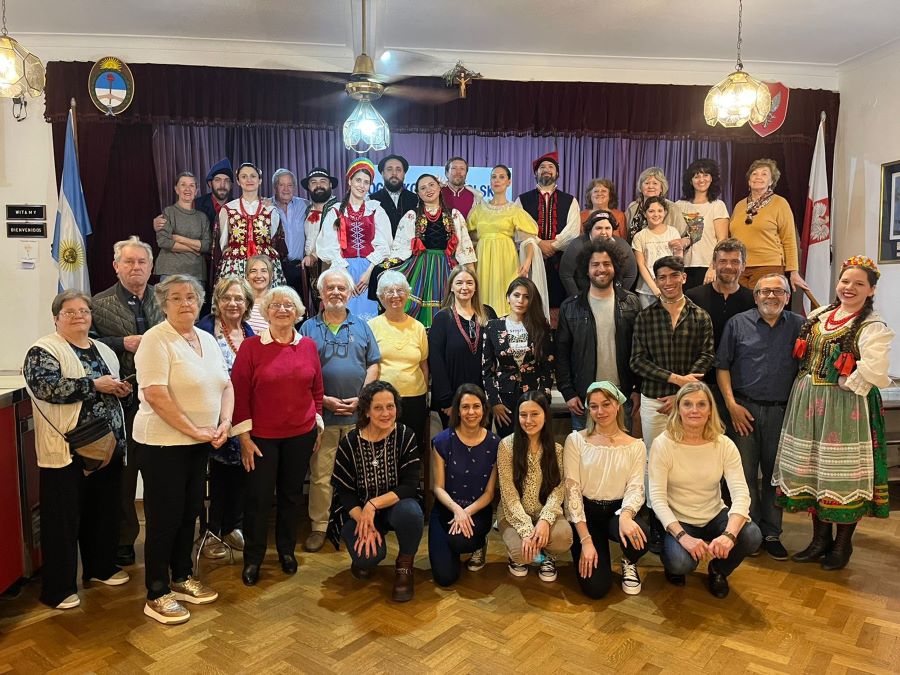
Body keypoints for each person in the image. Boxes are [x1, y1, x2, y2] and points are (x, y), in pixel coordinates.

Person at [773, 256, 893, 570]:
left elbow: (876, 369)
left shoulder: (871, 325)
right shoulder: (820, 315)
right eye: (845, 281)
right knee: (815, 471)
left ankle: (842, 545)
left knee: (841, 478)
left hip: (845, 407)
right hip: (808, 404)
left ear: (871, 290)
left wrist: (847, 380)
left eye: (859, 284)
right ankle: (820, 540)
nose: (849, 288)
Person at [133, 274, 233, 625]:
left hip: (198, 442)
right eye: (176, 297)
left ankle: (181, 575)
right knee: (165, 517)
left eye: (191, 296)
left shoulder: (206, 338)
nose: (185, 303)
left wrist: (225, 423)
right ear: (164, 304)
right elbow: (156, 394)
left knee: (189, 512)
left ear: (200, 302)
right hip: (163, 444)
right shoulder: (155, 339)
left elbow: (225, 385)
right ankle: (157, 592)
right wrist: (195, 429)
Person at [24, 290, 133, 610]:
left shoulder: (103, 349)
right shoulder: (43, 350)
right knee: (62, 519)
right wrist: (94, 385)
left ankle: (100, 568)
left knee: (104, 511)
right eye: (69, 312)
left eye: (83, 311)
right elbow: (46, 388)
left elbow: (114, 392)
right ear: (56, 318)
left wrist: (122, 391)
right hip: (67, 447)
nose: (78, 317)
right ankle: (58, 588)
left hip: (107, 446)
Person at [230, 286, 323, 586]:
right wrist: (244, 437)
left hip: (301, 434)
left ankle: (286, 551)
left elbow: (317, 390)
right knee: (258, 499)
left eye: (288, 305)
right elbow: (239, 394)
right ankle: (253, 559)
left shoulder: (308, 345)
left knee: (291, 496)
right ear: (266, 311)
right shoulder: (251, 347)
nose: (282, 310)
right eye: (276, 305)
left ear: (298, 312)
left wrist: (317, 425)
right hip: (261, 439)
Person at [716, 274, 804, 560]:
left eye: (778, 291)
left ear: (787, 297)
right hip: (743, 411)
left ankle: (772, 533)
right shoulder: (737, 324)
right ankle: (749, 530)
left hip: (783, 412)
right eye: (765, 291)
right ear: (755, 297)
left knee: (774, 476)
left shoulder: (800, 327)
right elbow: (722, 366)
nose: (771, 296)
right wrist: (731, 405)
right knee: (743, 474)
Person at [630, 256, 715, 551]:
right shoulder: (645, 317)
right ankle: (657, 525)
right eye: (662, 277)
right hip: (655, 400)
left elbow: (707, 356)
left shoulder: (700, 316)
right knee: (655, 462)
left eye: (673, 276)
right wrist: (676, 380)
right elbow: (637, 361)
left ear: (684, 278)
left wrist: (681, 396)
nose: (668, 282)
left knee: (685, 460)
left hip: (690, 405)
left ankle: (685, 522)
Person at [649, 382, 762, 598]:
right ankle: (672, 559)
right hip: (679, 519)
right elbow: (657, 498)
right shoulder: (663, 444)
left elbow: (741, 493)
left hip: (714, 515)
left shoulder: (724, 444)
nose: (694, 410)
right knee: (681, 563)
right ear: (678, 408)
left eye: (701, 404)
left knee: (752, 535)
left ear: (710, 409)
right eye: (687, 404)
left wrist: (729, 534)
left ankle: (718, 570)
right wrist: (683, 537)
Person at [91, 236, 164, 567]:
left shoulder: (165, 298)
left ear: (151, 266)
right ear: (116, 266)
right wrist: (122, 342)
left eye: (142, 262)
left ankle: (164, 536)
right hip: (121, 401)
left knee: (161, 472)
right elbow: (86, 345)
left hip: (160, 399)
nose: (136, 267)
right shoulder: (97, 304)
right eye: (129, 262)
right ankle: (123, 539)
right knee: (124, 475)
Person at [299, 268, 381, 553]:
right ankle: (319, 526)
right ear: (321, 293)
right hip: (323, 417)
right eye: (330, 288)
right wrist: (323, 400)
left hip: (358, 416)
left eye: (341, 288)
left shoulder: (362, 326)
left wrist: (362, 398)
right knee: (321, 475)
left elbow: (373, 364)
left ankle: (358, 522)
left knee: (360, 473)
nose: (335, 292)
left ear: (349, 293)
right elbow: (301, 371)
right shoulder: (307, 328)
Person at [327, 381, 423, 602]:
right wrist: (364, 520)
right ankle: (362, 559)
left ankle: (404, 566)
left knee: (411, 512)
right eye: (378, 408)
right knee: (367, 557)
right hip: (358, 511)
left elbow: (409, 486)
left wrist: (373, 504)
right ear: (366, 411)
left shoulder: (405, 435)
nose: (386, 413)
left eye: (390, 406)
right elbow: (345, 493)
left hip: (394, 507)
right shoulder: (350, 442)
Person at [565, 382, 648, 598]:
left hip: (617, 511)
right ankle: (594, 548)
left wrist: (626, 516)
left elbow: (636, 488)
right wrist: (586, 541)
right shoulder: (576, 441)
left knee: (641, 536)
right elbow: (572, 492)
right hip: (586, 514)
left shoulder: (635, 445)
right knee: (597, 588)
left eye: (606, 404)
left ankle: (629, 560)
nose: (600, 411)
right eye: (593, 406)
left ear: (618, 405)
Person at [195, 276, 256, 560]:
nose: (233, 303)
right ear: (217, 301)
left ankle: (234, 526)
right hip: (211, 414)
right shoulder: (204, 330)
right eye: (227, 298)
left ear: (247, 304)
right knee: (215, 477)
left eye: (239, 298)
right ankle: (211, 532)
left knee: (241, 472)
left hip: (243, 415)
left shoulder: (250, 333)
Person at [556, 238, 641, 432]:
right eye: (595, 264)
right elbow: (561, 353)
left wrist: (637, 389)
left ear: (615, 267)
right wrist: (568, 392)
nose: (601, 269)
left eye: (606, 264)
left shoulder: (631, 303)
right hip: (584, 397)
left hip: (622, 396)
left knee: (621, 448)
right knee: (584, 450)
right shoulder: (570, 307)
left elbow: (640, 350)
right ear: (586, 270)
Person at [429, 384, 500, 586]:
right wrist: (457, 510)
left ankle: (478, 544)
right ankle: (450, 549)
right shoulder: (442, 441)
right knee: (445, 578)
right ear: (458, 411)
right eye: (465, 407)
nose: (471, 412)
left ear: (484, 409)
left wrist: (466, 512)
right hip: (446, 508)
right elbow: (438, 487)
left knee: (460, 541)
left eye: (476, 406)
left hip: (477, 509)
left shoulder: (495, 444)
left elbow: (489, 493)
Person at [497, 391, 570, 582]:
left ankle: (547, 556)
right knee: (523, 554)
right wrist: (528, 531)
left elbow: (558, 489)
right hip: (513, 513)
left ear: (545, 415)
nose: (528, 420)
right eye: (523, 415)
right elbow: (509, 494)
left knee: (564, 538)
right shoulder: (506, 446)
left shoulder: (557, 449)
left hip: (544, 510)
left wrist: (545, 521)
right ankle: (535, 557)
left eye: (535, 414)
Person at [390, 173, 477, 328]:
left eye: (431, 185)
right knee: (414, 310)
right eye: (423, 188)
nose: (428, 190)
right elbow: (400, 249)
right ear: (418, 193)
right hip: (420, 269)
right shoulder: (412, 216)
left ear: (439, 187)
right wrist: (390, 270)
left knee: (450, 311)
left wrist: (472, 277)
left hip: (447, 268)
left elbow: (464, 248)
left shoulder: (454, 215)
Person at [685, 238, 756, 424]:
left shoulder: (753, 300)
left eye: (735, 261)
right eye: (723, 261)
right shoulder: (693, 297)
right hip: (700, 383)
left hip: (740, 388)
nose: (728, 266)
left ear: (743, 266)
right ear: (714, 264)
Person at [316, 158, 392, 321]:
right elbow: (328, 247)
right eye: (358, 180)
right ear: (350, 181)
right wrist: (345, 275)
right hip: (342, 270)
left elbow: (384, 246)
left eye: (366, 182)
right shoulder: (336, 211)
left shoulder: (375, 210)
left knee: (369, 320)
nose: (362, 185)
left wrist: (369, 273)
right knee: (342, 317)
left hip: (369, 271)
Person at [368, 271, 430, 465]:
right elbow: (368, 365)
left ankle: (410, 484)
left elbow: (424, 364)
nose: (395, 295)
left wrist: (425, 392)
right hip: (382, 400)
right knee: (383, 449)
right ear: (381, 297)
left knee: (411, 449)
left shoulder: (418, 327)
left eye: (400, 290)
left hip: (415, 398)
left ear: (407, 295)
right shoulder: (371, 326)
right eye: (389, 291)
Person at [483, 277, 554, 438]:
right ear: (508, 298)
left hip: (534, 396)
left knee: (534, 442)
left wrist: (543, 398)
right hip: (504, 399)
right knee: (507, 444)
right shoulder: (493, 326)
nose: (520, 300)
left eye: (526, 296)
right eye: (516, 295)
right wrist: (495, 402)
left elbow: (548, 366)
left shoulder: (541, 326)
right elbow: (486, 369)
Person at [515, 151, 582, 320]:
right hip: (531, 259)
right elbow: (518, 228)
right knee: (530, 298)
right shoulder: (522, 200)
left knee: (559, 303)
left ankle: (556, 335)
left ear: (557, 173)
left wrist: (553, 246)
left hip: (561, 261)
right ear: (535, 173)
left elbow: (573, 231)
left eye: (551, 167)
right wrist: (539, 243)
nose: (546, 169)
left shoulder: (570, 200)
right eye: (542, 167)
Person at [467, 165, 541, 317]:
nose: (497, 180)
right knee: (482, 296)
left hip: (506, 258)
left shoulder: (514, 210)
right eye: (494, 177)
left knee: (505, 294)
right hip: (483, 258)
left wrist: (527, 262)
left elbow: (529, 240)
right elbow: (469, 238)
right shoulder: (478, 210)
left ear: (509, 182)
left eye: (502, 177)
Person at [428, 266, 497, 427]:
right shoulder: (442, 318)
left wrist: (494, 396)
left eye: (469, 283)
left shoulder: (488, 314)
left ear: (476, 287)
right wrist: (447, 401)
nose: (464, 287)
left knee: (482, 440)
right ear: (451, 287)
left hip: (483, 397)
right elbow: (436, 362)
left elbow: (497, 354)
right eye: (459, 283)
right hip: (452, 400)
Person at [729, 158, 809, 292]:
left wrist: (794, 272)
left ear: (771, 181)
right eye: (754, 174)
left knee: (762, 304)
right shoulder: (739, 205)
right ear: (749, 181)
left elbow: (789, 240)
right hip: (739, 267)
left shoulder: (780, 203)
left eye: (764, 174)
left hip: (769, 266)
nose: (758, 177)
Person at [217, 162, 285, 285]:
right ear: (238, 181)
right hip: (236, 265)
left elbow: (275, 241)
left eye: (253, 176)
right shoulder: (228, 209)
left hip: (265, 265)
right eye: (244, 176)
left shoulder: (271, 210)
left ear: (260, 180)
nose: (249, 180)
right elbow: (222, 243)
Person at [675, 159, 730, 290]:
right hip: (683, 266)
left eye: (705, 175)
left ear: (712, 179)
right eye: (697, 176)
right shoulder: (679, 205)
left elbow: (722, 240)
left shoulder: (718, 205)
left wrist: (713, 267)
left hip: (707, 266)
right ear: (690, 180)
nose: (701, 180)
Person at [560, 209, 637, 296]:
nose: (603, 232)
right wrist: (577, 297)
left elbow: (631, 274)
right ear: (590, 229)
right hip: (583, 293)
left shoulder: (622, 246)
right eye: (598, 228)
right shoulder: (576, 246)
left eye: (607, 228)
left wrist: (619, 294)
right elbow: (566, 274)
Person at [154, 172, 212, 283]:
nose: (187, 189)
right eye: (183, 185)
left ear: (196, 191)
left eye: (191, 185)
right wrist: (194, 249)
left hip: (196, 273)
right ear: (176, 189)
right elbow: (164, 242)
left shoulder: (202, 217)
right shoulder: (168, 212)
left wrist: (180, 239)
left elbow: (207, 245)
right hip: (170, 272)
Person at [298, 167, 340, 314]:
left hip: (331, 267)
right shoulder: (306, 210)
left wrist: (314, 255)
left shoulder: (338, 210)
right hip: (311, 271)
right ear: (309, 187)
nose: (318, 185)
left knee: (333, 308)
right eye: (313, 182)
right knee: (317, 311)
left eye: (323, 181)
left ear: (330, 185)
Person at [632, 196, 684, 308]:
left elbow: (678, 262)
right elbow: (641, 265)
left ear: (665, 212)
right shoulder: (639, 236)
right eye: (651, 211)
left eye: (660, 211)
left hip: (670, 287)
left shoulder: (673, 232)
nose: (656, 214)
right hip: (647, 290)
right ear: (645, 214)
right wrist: (655, 289)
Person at [271, 169, 311, 308]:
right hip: (275, 268)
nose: (286, 189)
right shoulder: (266, 207)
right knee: (277, 308)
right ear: (275, 187)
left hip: (299, 268)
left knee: (299, 309)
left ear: (294, 187)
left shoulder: (306, 205)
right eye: (281, 185)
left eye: (289, 185)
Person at [623, 167, 685, 244]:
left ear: (661, 188)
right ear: (641, 187)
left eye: (655, 183)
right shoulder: (633, 207)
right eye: (647, 183)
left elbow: (683, 235)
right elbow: (624, 233)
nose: (650, 186)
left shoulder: (672, 208)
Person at [371, 154, 419, 236]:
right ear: (382, 174)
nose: (394, 173)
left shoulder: (415, 199)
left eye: (398, 170)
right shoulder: (372, 200)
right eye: (389, 169)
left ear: (404, 174)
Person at [244, 254, 275, 335]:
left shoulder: (277, 302)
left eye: (264, 271)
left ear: (271, 276)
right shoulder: (240, 301)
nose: (258, 276)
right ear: (247, 276)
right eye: (253, 271)